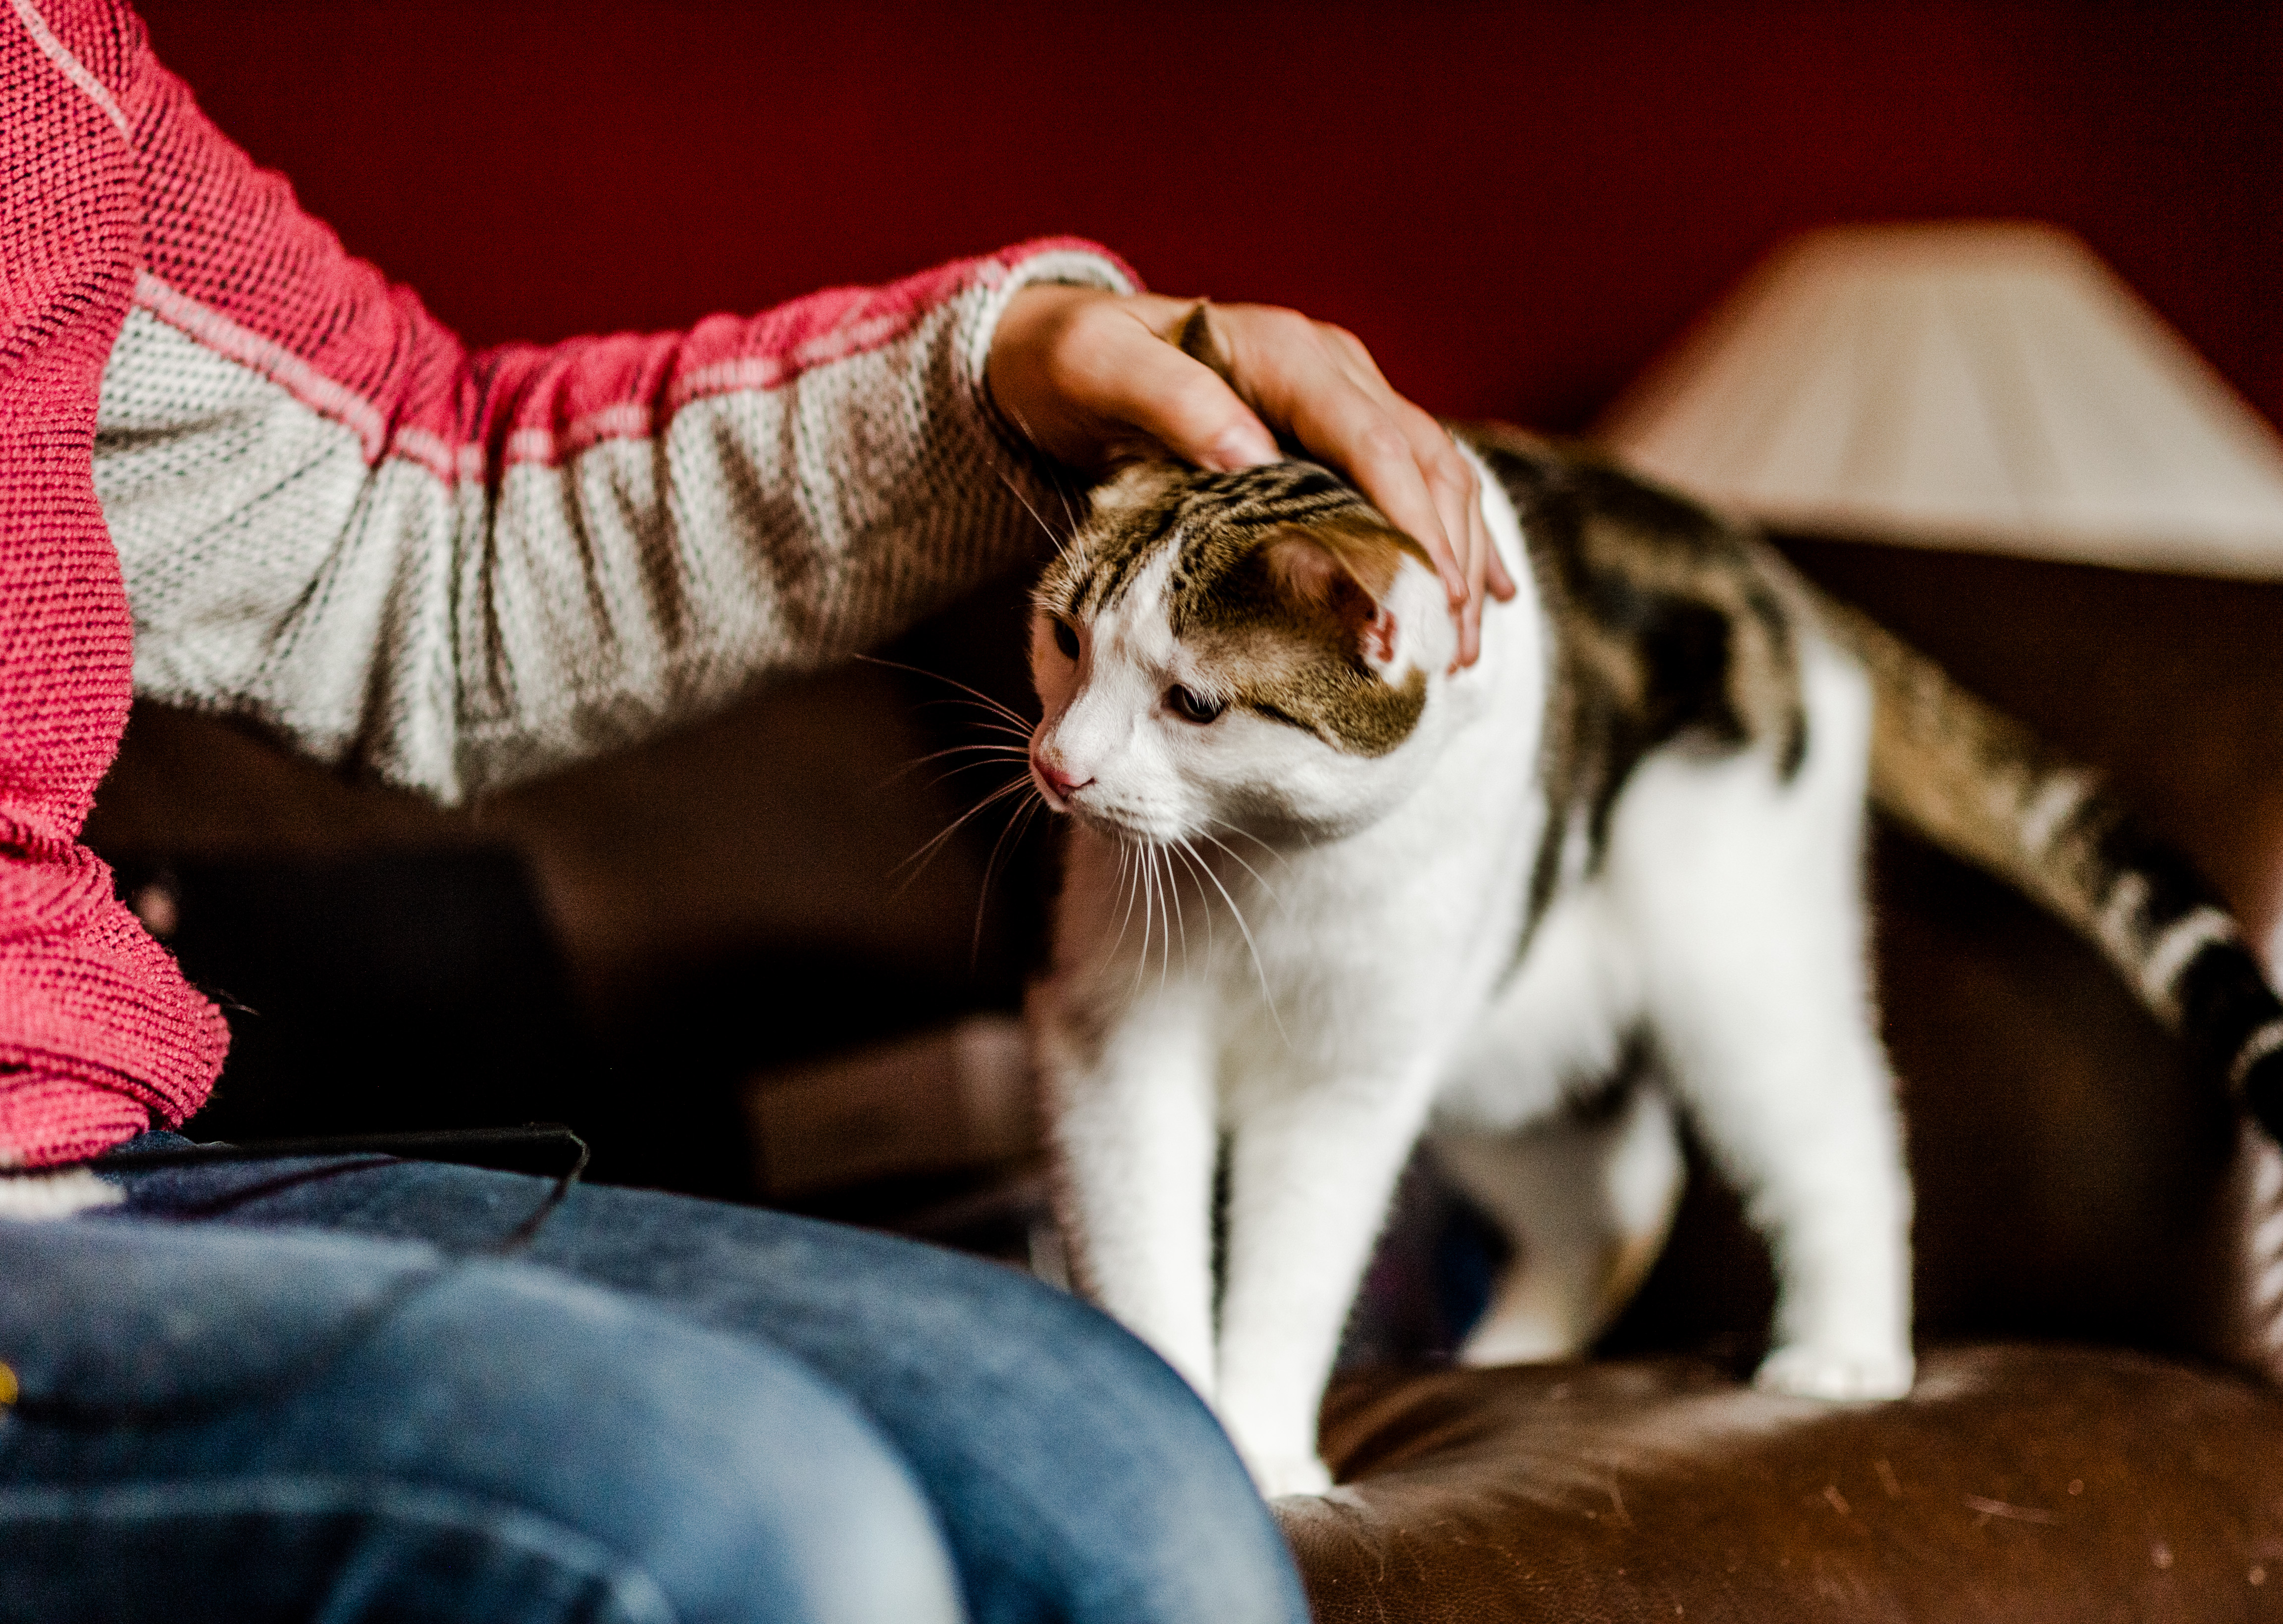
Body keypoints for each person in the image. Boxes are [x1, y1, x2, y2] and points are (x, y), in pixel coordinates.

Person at [0, 1, 1512, 1620]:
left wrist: (1010, 372)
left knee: (1135, 1499)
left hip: (84, 1144)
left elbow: (408, 526)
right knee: (742, 1527)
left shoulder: (45, 73)